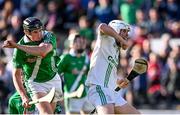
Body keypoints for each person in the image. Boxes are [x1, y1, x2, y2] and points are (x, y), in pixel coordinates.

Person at [3, 17, 63, 114]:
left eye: (40, 30)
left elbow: (42, 51)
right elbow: (16, 75)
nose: (39, 34)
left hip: (53, 79)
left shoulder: (49, 36)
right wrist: (23, 96)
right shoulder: (19, 50)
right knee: (47, 113)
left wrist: (17, 46)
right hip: (35, 83)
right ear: (27, 32)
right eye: (35, 32)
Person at [85, 20, 140, 114]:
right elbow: (102, 26)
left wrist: (117, 81)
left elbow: (106, 71)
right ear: (116, 29)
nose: (127, 35)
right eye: (124, 31)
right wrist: (121, 39)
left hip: (111, 92)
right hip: (99, 89)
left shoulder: (116, 49)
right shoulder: (106, 38)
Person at [57, 34, 93, 114]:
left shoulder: (86, 58)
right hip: (72, 94)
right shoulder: (66, 58)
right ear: (71, 44)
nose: (81, 43)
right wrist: (59, 92)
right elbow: (56, 75)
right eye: (78, 41)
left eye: (82, 41)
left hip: (85, 94)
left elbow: (90, 75)